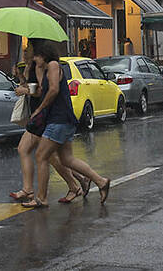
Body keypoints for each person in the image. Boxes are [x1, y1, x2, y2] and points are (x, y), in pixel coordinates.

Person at [23, 39, 110, 209]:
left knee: (41, 156)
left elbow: (54, 89)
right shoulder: (48, 69)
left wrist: (40, 109)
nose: (34, 60)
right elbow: (42, 89)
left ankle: (41, 198)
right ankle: (101, 181)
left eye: (36, 57)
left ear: (44, 55)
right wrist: (30, 71)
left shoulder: (54, 65)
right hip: (62, 120)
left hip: (59, 119)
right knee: (66, 158)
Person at [10, 43, 90, 204]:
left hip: (45, 116)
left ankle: (75, 184)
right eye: (24, 51)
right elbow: (32, 86)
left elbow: (41, 91)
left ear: (37, 53)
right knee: (35, 152)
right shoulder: (31, 67)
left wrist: (26, 91)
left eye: (28, 51)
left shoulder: (42, 67)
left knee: (50, 156)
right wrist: (20, 76)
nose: (25, 54)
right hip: (40, 116)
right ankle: (31, 189)